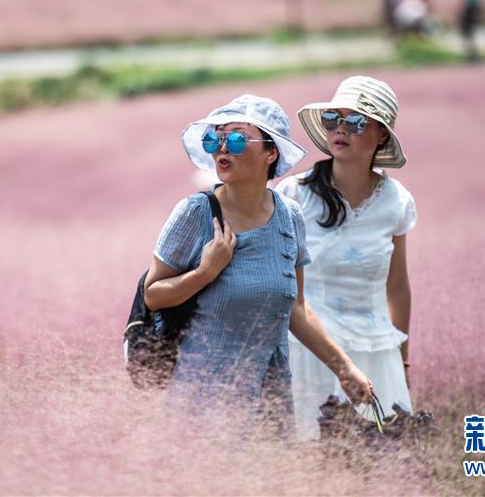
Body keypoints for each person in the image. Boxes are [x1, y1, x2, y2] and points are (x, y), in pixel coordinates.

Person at [144, 94, 374, 438]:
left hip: (271, 399)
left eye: (236, 139)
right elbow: (153, 295)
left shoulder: (289, 215)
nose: (222, 149)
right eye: (215, 139)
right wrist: (206, 272)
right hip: (205, 400)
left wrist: (344, 369)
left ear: (271, 153)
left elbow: (296, 307)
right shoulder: (195, 213)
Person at [276, 76, 416, 441]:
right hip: (311, 351)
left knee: (386, 456)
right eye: (332, 119)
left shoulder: (396, 202)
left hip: (377, 351)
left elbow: (397, 287)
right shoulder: (294, 194)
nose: (341, 129)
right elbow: (286, 289)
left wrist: (402, 359)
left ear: (381, 135)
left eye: (355, 122)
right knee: (315, 457)